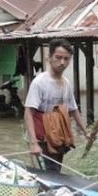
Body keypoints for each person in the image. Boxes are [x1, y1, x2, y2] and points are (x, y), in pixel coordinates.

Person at [24, 38, 88, 172]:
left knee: (56, 172)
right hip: (42, 137)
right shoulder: (39, 82)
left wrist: (86, 132)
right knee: (51, 174)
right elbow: (28, 113)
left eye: (66, 59)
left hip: (59, 135)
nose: (62, 62)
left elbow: (73, 109)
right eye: (58, 57)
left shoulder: (66, 83)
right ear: (49, 58)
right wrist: (34, 143)